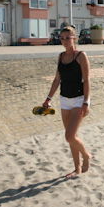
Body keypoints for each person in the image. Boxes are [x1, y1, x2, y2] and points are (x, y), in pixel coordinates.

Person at [42, 26, 91, 178]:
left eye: (67, 38)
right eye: (62, 38)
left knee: (69, 136)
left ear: (74, 38)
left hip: (78, 100)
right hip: (64, 100)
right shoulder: (61, 56)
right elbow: (57, 79)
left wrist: (86, 102)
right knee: (72, 137)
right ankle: (77, 168)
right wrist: (48, 98)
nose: (64, 41)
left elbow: (87, 80)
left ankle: (87, 155)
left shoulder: (81, 56)